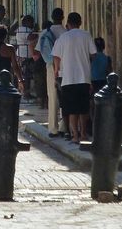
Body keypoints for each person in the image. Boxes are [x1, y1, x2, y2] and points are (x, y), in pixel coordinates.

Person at [51, 12, 97, 144]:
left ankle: (75, 135)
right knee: (83, 108)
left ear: (68, 23)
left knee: (71, 108)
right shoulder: (86, 35)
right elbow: (94, 55)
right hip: (84, 77)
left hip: (68, 78)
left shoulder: (63, 38)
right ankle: (83, 134)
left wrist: (56, 72)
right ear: (80, 23)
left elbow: (56, 56)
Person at [36, 7, 68, 137]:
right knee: (66, 97)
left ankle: (53, 128)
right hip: (66, 66)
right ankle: (64, 126)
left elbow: (38, 51)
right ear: (62, 17)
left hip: (50, 66)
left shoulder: (45, 33)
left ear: (52, 17)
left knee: (53, 96)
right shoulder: (66, 33)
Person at [15, 15, 35, 99]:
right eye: (31, 22)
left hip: (20, 54)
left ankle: (21, 91)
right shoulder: (25, 30)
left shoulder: (19, 29)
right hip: (25, 55)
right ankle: (26, 93)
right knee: (27, 75)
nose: (32, 24)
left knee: (21, 74)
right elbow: (30, 38)